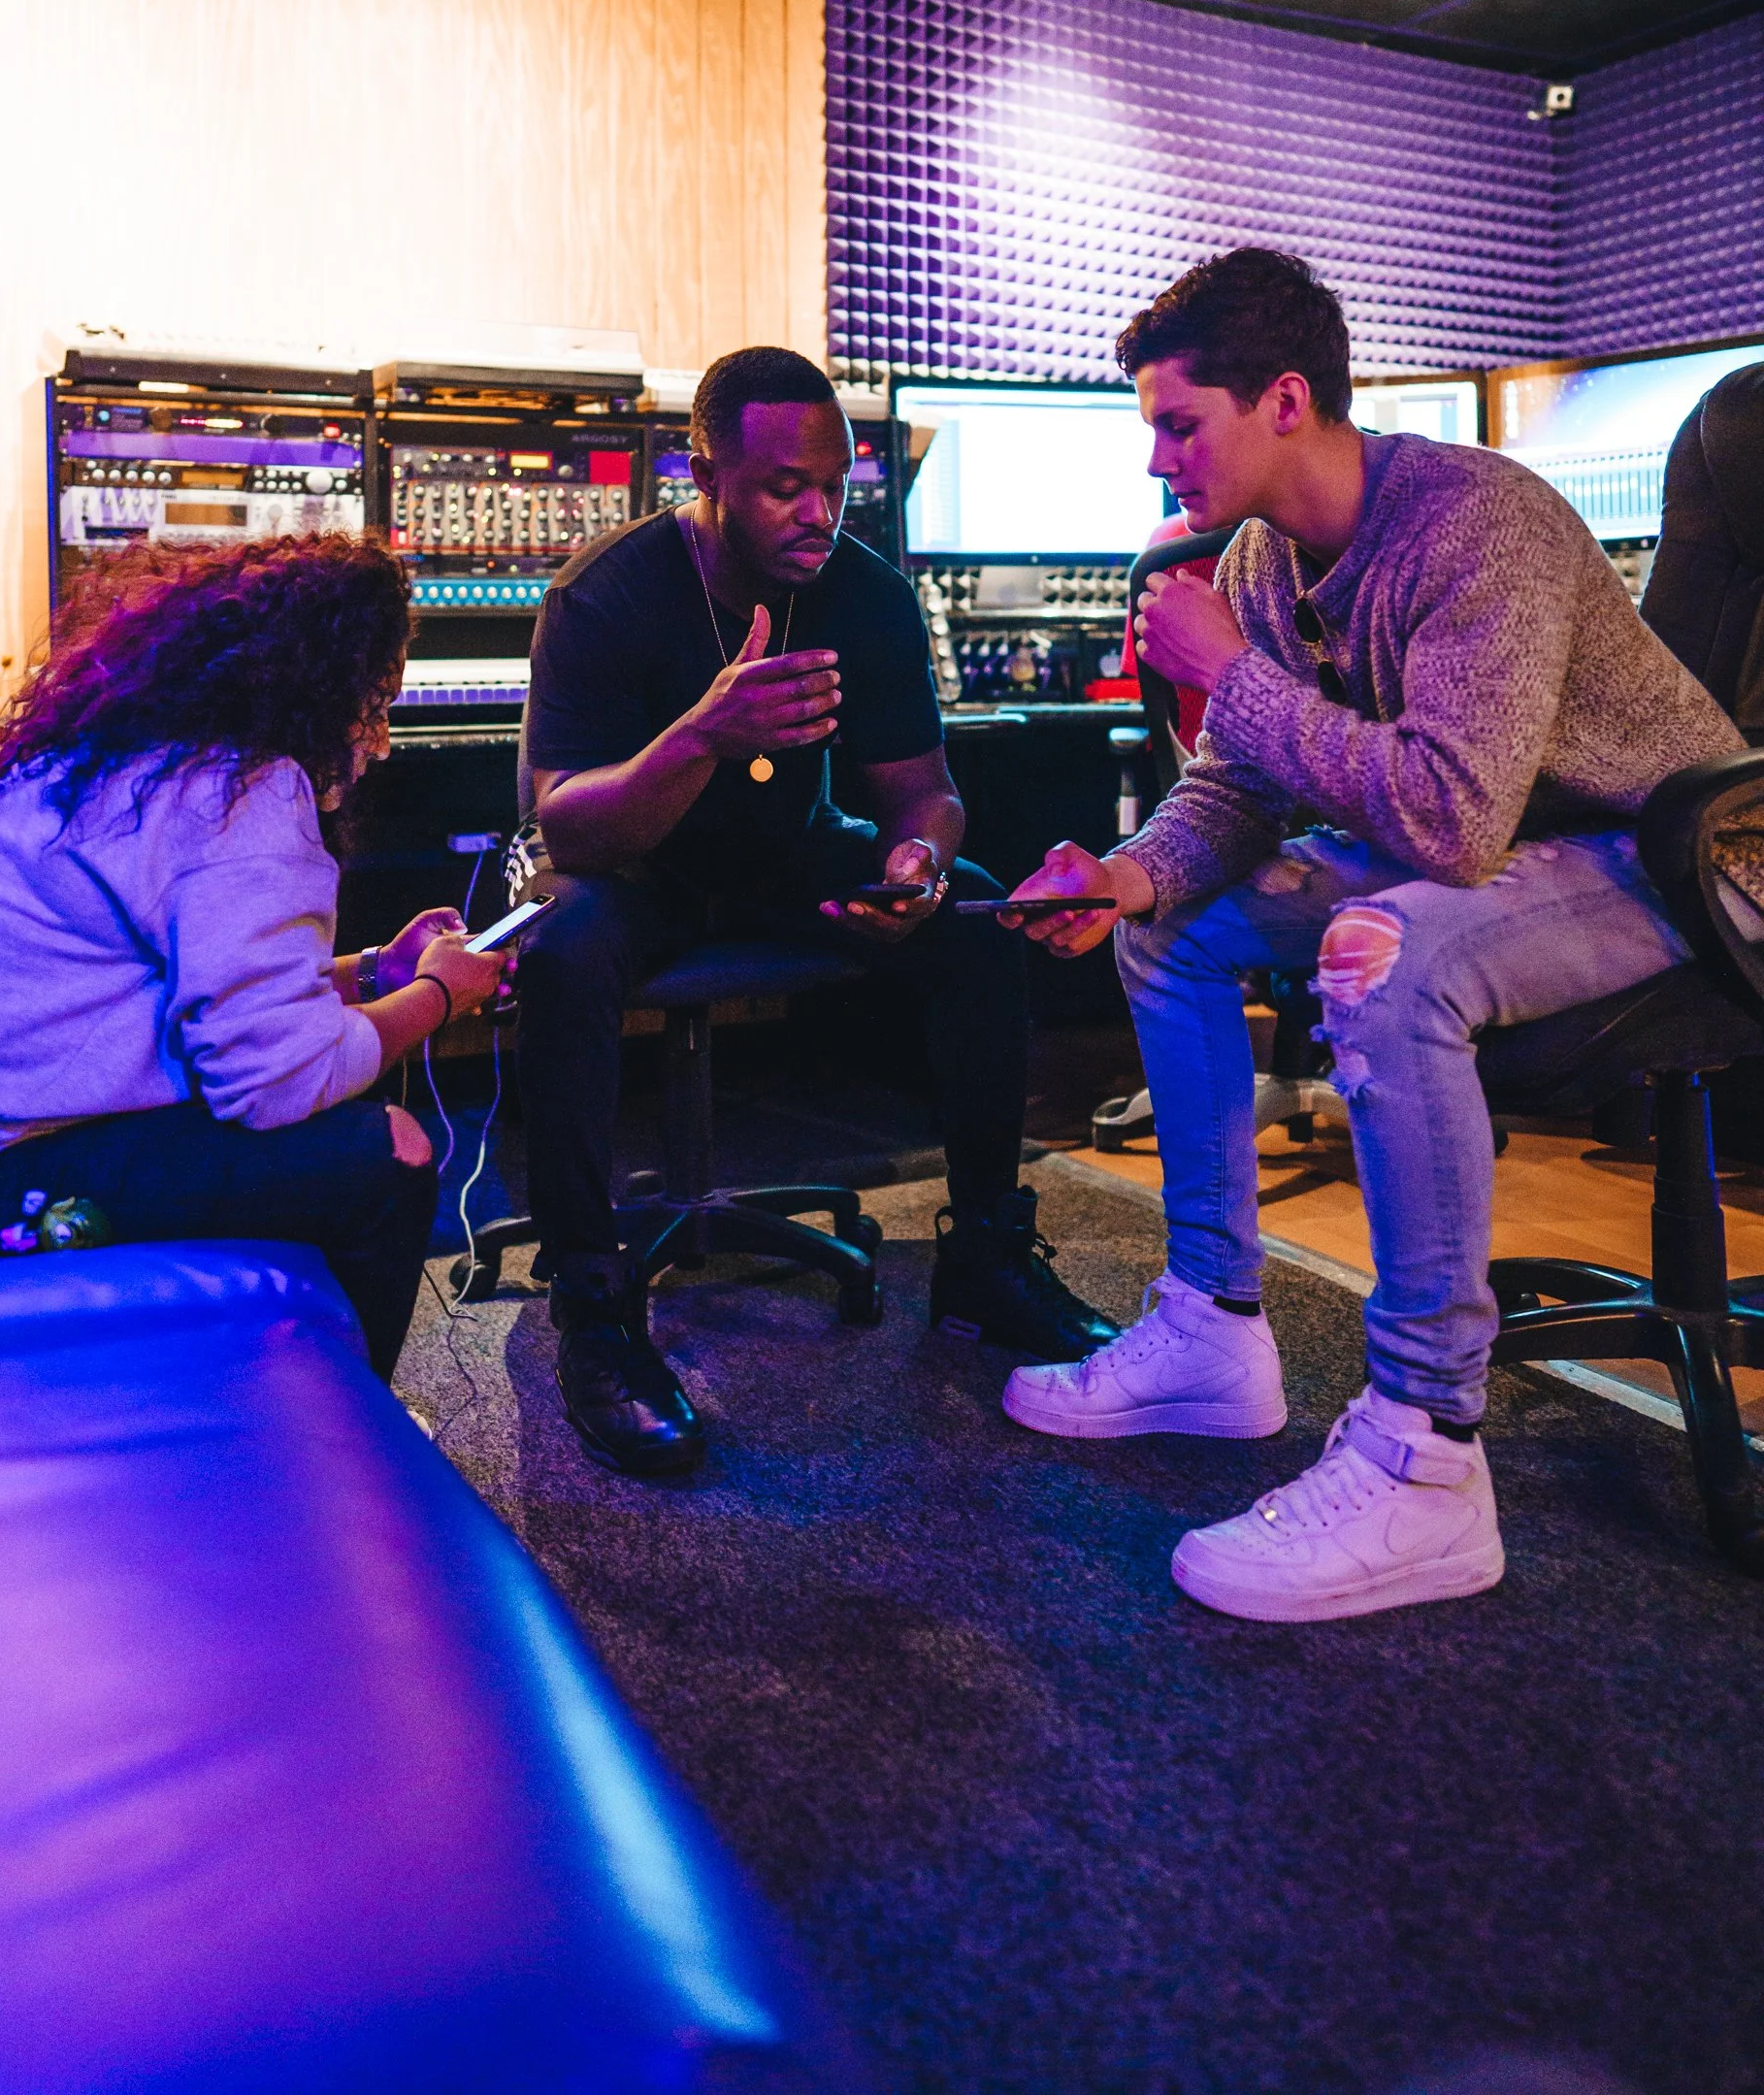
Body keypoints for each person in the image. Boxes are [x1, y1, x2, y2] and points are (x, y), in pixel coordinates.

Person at [1001, 248, 1741, 1622]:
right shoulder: (1263, 558)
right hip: (1517, 850)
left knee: (1384, 954)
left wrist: (1228, 669)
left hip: (1686, 861)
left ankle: (1424, 1458)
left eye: (1178, 424)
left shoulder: (1480, 525)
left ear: (1284, 400)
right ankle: (1214, 1328)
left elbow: (1451, 825)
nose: (1157, 460)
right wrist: (1127, 874)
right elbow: (1241, 784)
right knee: (1175, 934)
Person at [514, 344, 1118, 1479]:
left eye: (834, 484)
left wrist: (915, 864)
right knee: (562, 951)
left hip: (788, 857)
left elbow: (922, 788)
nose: (816, 513)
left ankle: (983, 1256)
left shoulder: (864, 594)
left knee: (975, 916)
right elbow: (568, 830)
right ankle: (592, 1303)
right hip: (635, 875)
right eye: (782, 487)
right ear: (704, 472)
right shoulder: (605, 594)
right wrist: (702, 733)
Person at [0, 534, 508, 1380]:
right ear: (318, 686)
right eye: (374, 702)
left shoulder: (116, 764)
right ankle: (334, 1442)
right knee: (389, 1153)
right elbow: (272, 1083)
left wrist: (374, 972)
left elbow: (191, 998)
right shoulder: (240, 794)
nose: (381, 739)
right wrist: (441, 994)